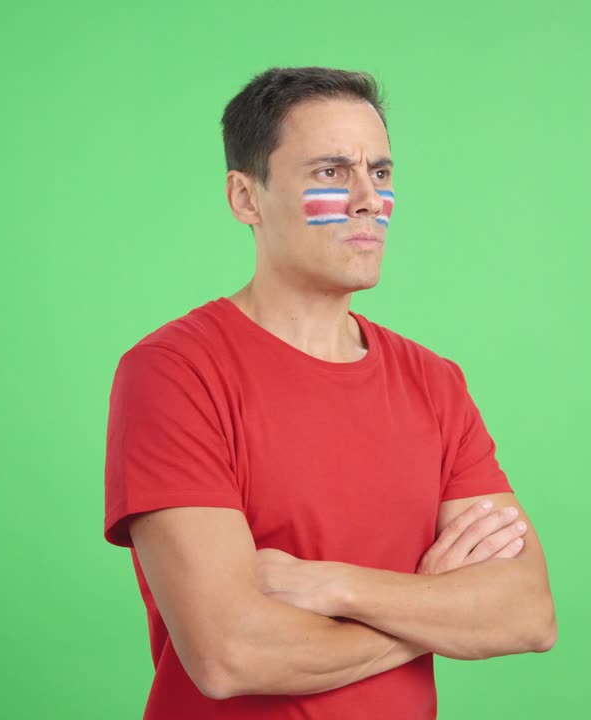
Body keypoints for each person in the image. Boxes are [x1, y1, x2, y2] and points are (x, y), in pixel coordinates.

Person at [103, 66, 556, 719]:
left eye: (381, 171)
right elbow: (230, 653)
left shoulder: (434, 382)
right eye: (330, 172)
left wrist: (335, 586)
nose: (368, 198)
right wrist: (430, 606)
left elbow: (525, 612)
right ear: (245, 198)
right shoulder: (174, 372)